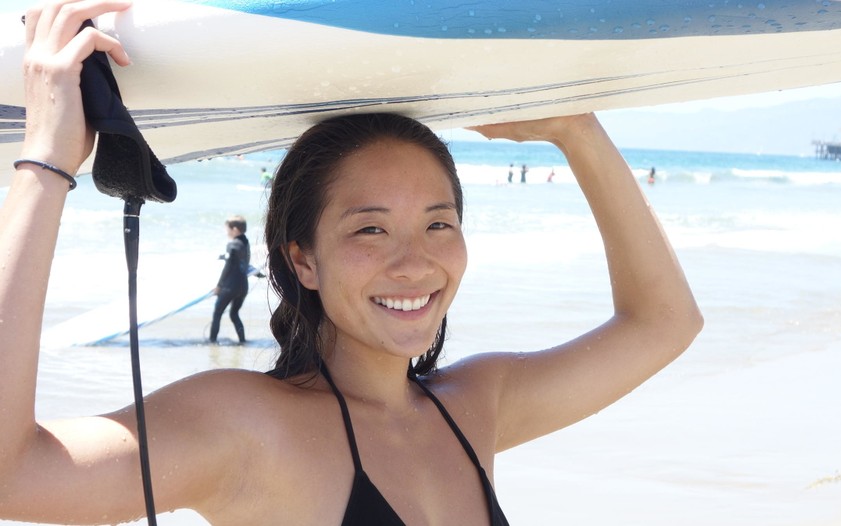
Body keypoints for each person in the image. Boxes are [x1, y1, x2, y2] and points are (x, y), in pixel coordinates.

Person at [0, 1, 702, 524]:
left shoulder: (476, 407)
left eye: (439, 223)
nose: (415, 262)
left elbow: (665, 322)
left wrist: (574, 129)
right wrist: (47, 161)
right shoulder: (245, 427)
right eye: (371, 229)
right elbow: (13, 475)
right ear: (301, 260)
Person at [210, 215, 251, 344]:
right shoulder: (246, 243)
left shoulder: (232, 244)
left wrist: (219, 285)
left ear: (234, 229)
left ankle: (212, 343)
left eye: (227, 229)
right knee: (234, 314)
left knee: (217, 313)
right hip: (243, 286)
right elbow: (242, 262)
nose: (226, 232)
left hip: (230, 287)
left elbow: (229, 266)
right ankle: (243, 341)